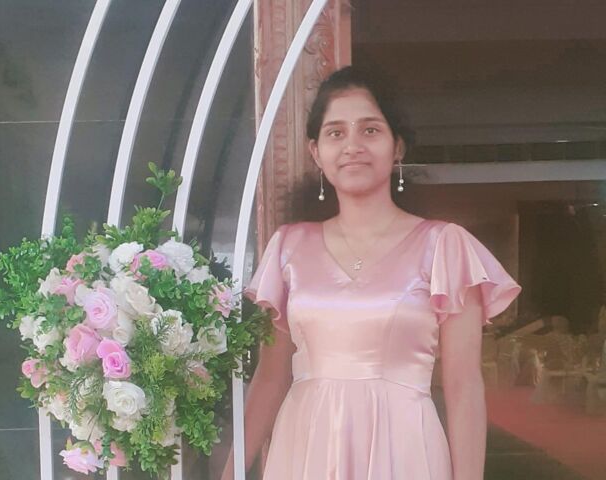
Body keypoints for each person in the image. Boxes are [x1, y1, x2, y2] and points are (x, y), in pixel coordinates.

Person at [221, 66, 522, 480]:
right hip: (307, 448)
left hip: (404, 450)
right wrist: (231, 472)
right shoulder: (288, 248)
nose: (353, 146)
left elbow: (463, 386)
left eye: (370, 130)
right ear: (316, 152)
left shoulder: (444, 247)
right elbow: (271, 378)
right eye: (336, 132)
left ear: (397, 146)